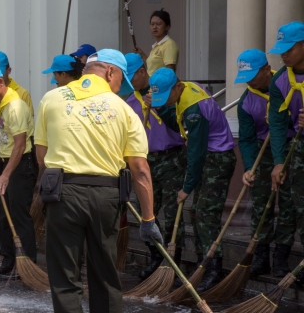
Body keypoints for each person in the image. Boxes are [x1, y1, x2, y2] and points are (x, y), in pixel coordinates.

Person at [35, 49, 158, 313]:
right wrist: (148, 218)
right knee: (105, 278)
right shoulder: (123, 109)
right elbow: (140, 169)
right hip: (106, 198)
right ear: (110, 74)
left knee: (65, 282)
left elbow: (42, 155)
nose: (121, 86)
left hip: (64, 195)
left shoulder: (51, 98)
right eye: (121, 80)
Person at [150, 68, 236, 291]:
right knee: (198, 211)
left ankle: (213, 268)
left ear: (177, 86)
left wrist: (186, 188)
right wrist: (159, 106)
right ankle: (203, 264)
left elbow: (196, 153)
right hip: (208, 156)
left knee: (206, 213)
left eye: (166, 96)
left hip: (216, 159)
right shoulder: (187, 90)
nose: (166, 101)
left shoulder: (193, 109)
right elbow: (176, 123)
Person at [123, 53, 186, 279]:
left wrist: (160, 107)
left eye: (133, 77)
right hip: (145, 161)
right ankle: (156, 255)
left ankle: (173, 260)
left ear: (143, 71)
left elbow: (178, 122)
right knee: (145, 211)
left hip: (171, 158)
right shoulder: (130, 102)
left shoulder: (164, 93)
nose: (131, 82)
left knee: (172, 211)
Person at [236, 49, 294, 277]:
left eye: (253, 75)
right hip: (262, 152)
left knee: (289, 204)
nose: (249, 81)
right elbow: (247, 139)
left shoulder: (284, 84)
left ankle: (281, 258)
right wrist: (250, 167)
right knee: (262, 206)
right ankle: (261, 257)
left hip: (290, 148)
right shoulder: (246, 102)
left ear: (266, 70)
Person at [0, 65, 36, 279]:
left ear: (0, 82)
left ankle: (27, 266)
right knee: (3, 217)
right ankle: (9, 263)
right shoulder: (1, 105)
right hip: (5, 164)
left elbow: (20, 144)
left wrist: (6, 174)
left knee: (19, 217)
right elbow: (2, 134)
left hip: (18, 167)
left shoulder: (15, 106)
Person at [268, 21, 304, 281]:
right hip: (298, 146)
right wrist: (279, 161)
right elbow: (278, 125)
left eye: (289, 49)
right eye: (281, 49)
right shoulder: (280, 80)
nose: (284, 54)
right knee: (298, 205)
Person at [135, 9, 179, 75]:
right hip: (152, 84)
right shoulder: (157, 45)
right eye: (152, 24)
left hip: (161, 85)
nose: (154, 27)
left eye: (158, 24)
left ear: (167, 27)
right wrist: (141, 53)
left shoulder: (169, 45)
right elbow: (152, 66)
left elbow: (170, 72)